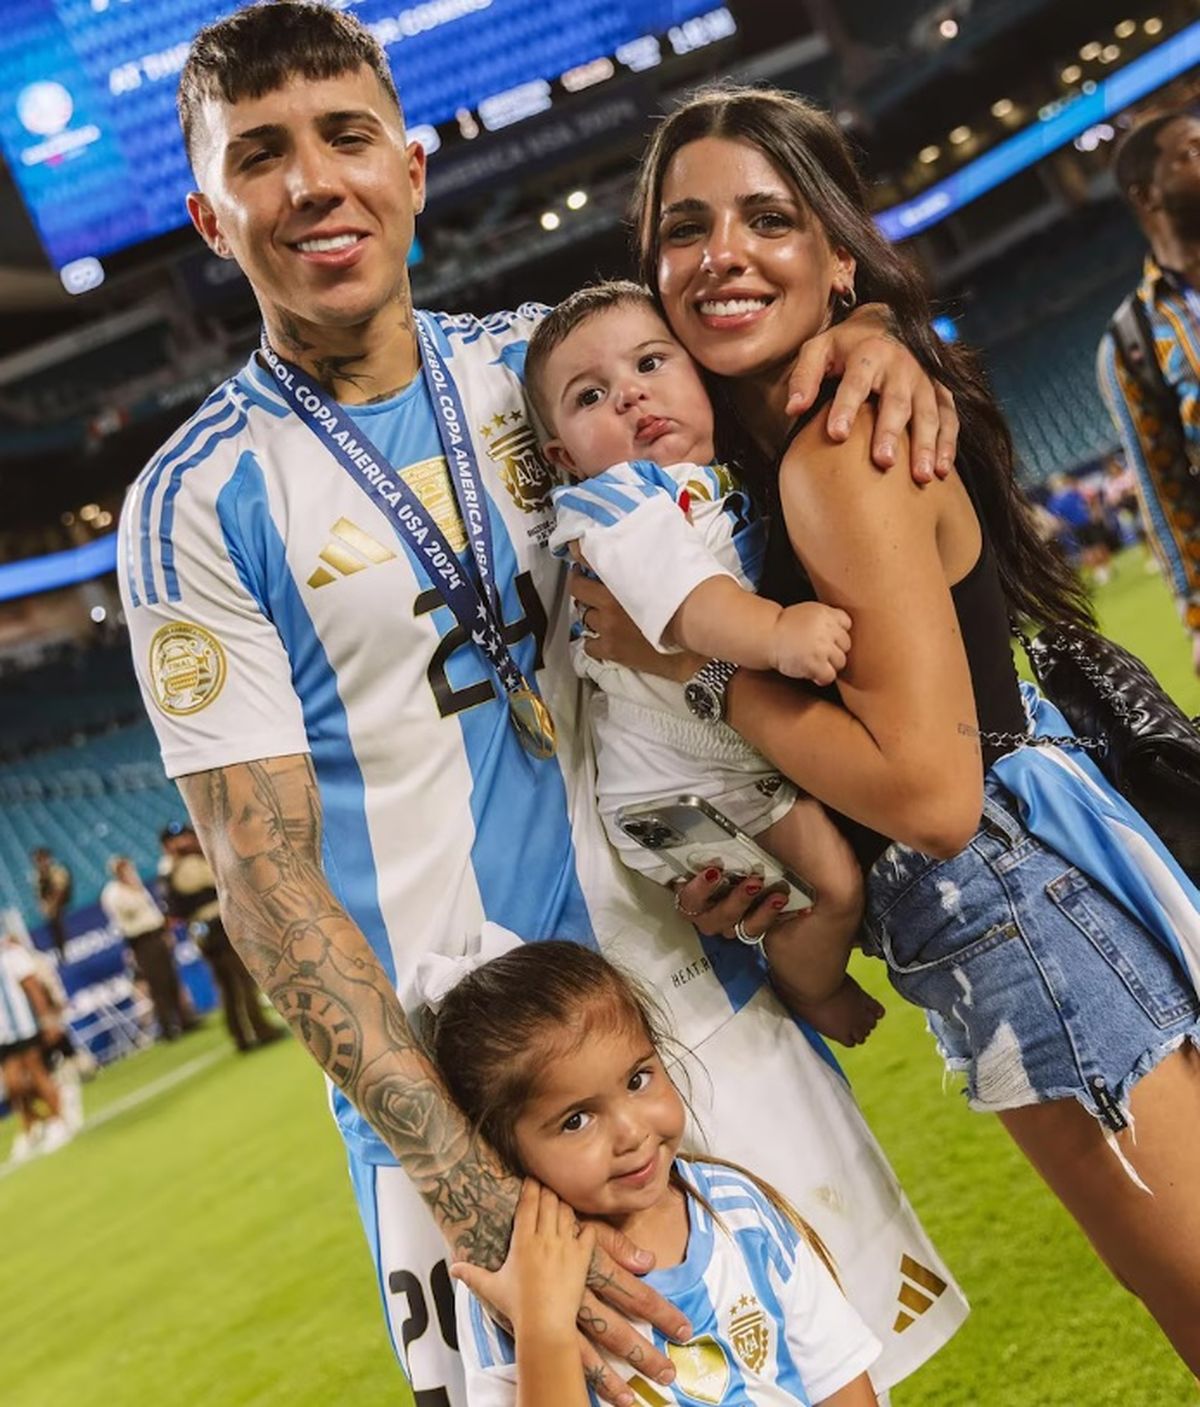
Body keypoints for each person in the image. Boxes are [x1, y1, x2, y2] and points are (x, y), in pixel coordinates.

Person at [117, 7, 966, 1401]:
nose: (315, 181)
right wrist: (475, 1196)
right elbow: (263, 879)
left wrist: (872, 329)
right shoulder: (196, 502)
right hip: (476, 1107)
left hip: (694, 1011)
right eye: (261, 155)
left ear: (414, 163)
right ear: (212, 214)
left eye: (345, 135)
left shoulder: (542, 362)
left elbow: (759, 351)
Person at [591, 83, 1200, 1370]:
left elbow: (928, 798)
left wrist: (700, 671)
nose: (722, 255)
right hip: (1030, 902)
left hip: (1015, 914)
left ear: (833, 251)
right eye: (685, 227)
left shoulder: (833, 455)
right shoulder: (792, 445)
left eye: (767, 218)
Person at [526, 281, 882, 1045]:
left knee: (832, 883)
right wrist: (780, 631)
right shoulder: (613, 503)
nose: (630, 396)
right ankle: (815, 989)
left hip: (724, 755)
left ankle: (806, 975)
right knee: (835, 889)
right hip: (672, 780)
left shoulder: (726, 477)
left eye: (651, 363)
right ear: (563, 455)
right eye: (591, 396)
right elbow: (687, 601)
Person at [423, 931, 880, 1406]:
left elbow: (840, 1382)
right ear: (501, 1148)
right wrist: (543, 1322)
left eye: (638, 1080)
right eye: (576, 1120)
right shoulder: (504, 1281)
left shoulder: (739, 1207)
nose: (631, 1133)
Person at [1096, 109, 1200, 676]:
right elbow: (1166, 492)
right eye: (1192, 152)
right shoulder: (1131, 343)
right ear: (1147, 195)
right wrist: (1195, 613)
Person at [160, 823, 284, 1053]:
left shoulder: (178, 865)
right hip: (214, 927)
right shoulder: (180, 866)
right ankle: (259, 1029)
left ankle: (242, 1033)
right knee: (239, 980)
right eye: (180, 839)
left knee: (229, 983)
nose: (187, 841)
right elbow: (216, 880)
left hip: (209, 927)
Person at [100, 857, 192, 1042]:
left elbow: (151, 911)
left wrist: (165, 933)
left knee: (170, 978)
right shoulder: (114, 892)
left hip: (156, 935)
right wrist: (131, 887)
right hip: (141, 941)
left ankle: (185, 1019)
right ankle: (168, 1026)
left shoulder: (136, 885)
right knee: (157, 983)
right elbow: (127, 912)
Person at [0, 932, 72, 1161]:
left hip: (24, 1026)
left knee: (36, 1073)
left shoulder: (11, 954)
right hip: (3, 1034)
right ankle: (33, 1124)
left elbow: (33, 988)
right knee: (13, 1085)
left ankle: (58, 1120)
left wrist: (47, 1020)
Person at [31, 847, 72, 961]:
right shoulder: (37, 876)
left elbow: (61, 889)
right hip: (49, 911)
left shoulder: (57, 871)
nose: (41, 863)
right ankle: (61, 953)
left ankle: (65, 951)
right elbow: (38, 894)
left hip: (60, 907)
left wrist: (53, 905)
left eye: (42, 859)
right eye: (38, 860)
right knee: (55, 933)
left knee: (61, 930)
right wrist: (44, 907)